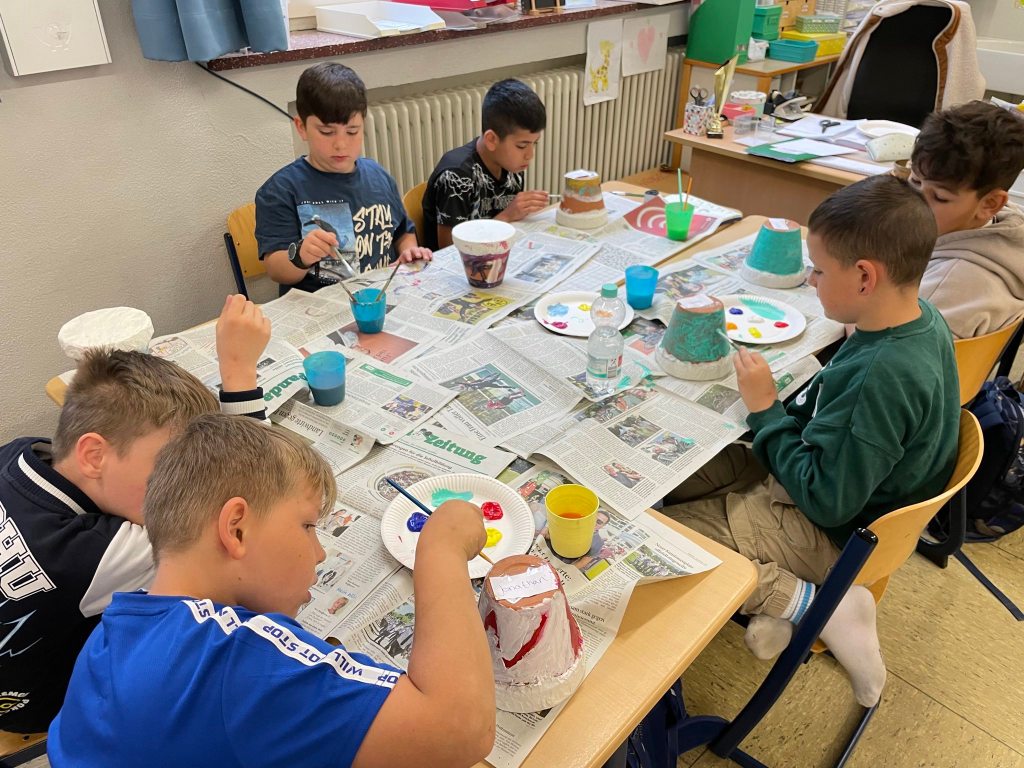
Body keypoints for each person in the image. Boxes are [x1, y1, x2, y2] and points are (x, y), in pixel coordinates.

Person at [663, 175, 960, 708]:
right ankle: (778, 605)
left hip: (835, 529)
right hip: (853, 492)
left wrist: (765, 410)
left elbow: (826, 500)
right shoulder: (919, 318)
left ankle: (815, 606)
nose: (811, 278)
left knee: (666, 544)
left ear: (865, 277)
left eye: (820, 271)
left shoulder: (880, 378)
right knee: (673, 480)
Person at [49, 415, 495, 768]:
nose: (319, 553)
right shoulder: (236, 659)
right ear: (236, 529)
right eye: (307, 526)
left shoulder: (110, 632)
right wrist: (442, 548)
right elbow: (462, 730)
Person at [0, 295, 270, 739]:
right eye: (169, 468)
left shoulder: (19, 452)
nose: (185, 482)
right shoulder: (99, 553)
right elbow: (253, 505)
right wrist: (239, 373)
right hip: (35, 707)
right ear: (93, 454)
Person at [256, 63, 432, 295]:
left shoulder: (378, 177)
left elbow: (402, 233)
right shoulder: (281, 190)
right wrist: (301, 256)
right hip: (323, 305)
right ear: (301, 127)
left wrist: (408, 252)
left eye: (352, 131)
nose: (340, 144)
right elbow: (276, 270)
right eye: (326, 132)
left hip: (380, 297)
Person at [910, 100, 1024, 339]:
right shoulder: (1008, 224)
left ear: (990, 204)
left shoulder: (946, 287)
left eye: (939, 197)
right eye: (914, 181)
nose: (914, 202)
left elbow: (881, 354)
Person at [421, 79, 549, 250]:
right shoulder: (456, 176)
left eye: (535, 143)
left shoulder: (512, 166)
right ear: (491, 140)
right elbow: (450, 251)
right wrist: (506, 216)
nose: (530, 155)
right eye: (521, 146)